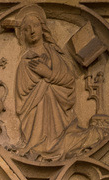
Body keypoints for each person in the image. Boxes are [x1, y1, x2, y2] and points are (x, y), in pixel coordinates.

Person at [13, 5, 82, 160]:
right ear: (22, 33)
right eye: (27, 28)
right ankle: (40, 145)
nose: (32, 31)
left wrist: (48, 74)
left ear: (42, 28)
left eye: (36, 25)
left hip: (60, 116)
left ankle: (58, 142)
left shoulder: (54, 53)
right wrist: (44, 84)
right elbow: (23, 98)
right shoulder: (25, 62)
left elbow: (69, 80)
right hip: (36, 118)